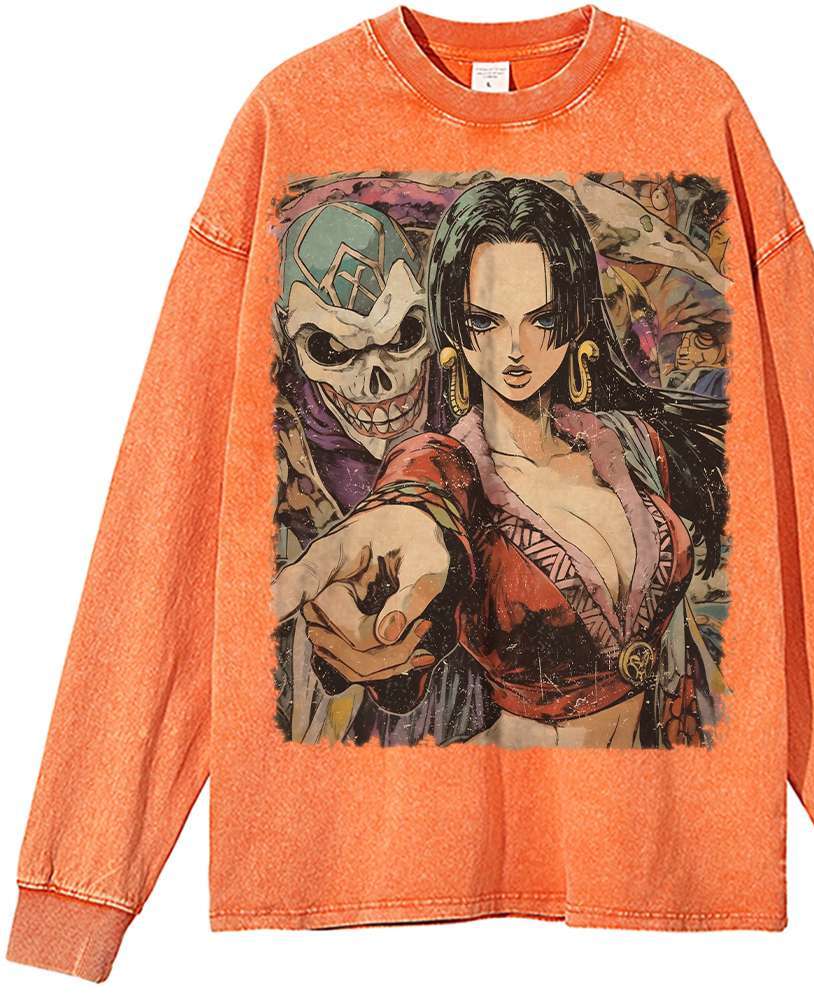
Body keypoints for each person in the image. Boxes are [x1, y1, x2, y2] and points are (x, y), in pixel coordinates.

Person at [272, 177, 730, 749]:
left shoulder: (628, 441)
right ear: (454, 328)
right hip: (530, 787)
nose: (514, 349)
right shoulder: (450, 468)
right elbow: (420, 489)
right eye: (485, 321)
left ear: (575, 317)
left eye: (542, 318)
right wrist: (401, 534)